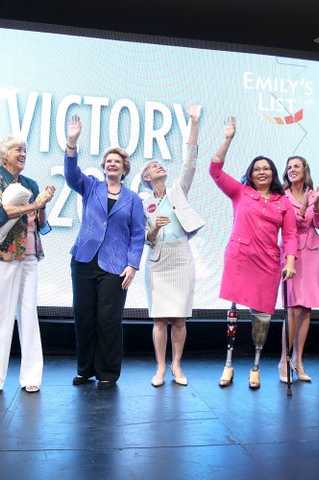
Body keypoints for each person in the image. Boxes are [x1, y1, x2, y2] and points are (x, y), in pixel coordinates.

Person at [210, 116, 297, 389]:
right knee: (234, 310)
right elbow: (214, 170)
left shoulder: (284, 202)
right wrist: (227, 138)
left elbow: (291, 235)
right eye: (257, 169)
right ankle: (228, 365)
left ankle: (256, 366)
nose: (262, 172)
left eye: (267, 169)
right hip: (239, 258)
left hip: (268, 263)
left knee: (262, 317)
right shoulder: (240, 193)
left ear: (273, 174)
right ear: (250, 173)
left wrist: (291, 261)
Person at [64, 114, 145, 391]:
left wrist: (133, 265)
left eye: (117, 162)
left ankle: (108, 372)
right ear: (103, 167)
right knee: (83, 315)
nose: (112, 164)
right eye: (108, 161)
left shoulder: (133, 199)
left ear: (124, 169)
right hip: (84, 260)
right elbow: (71, 175)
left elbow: (138, 234)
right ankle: (85, 369)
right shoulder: (90, 186)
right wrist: (72, 142)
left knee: (108, 319)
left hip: (115, 266)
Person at [0, 136, 55, 396]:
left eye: (25, 150)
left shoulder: (30, 183)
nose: (23, 153)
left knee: (28, 315)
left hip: (30, 255)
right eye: (17, 150)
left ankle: (32, 375)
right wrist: (33, 204)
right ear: (4, 155)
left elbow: (41, 224)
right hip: (1, 255)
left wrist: (42, 205)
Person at [140, 105, 205, 387]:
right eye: (153, 166)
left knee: (179, 319)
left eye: (160, 164)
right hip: (157, 261)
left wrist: (193, 121)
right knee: (159, 321)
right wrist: (155, 226)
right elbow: (145, 238)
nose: (159, 166)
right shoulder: (141, 202)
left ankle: (177, 366)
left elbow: (190, 160)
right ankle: (160, 369)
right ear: (146, 178)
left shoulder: (178, 190)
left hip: (180, 258)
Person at [277, 155, 319, 383]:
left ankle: (298, 360)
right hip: (290, 254)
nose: (292, 170)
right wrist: (303, 207)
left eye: (296, 166)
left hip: (311, 252)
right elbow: (286, 225)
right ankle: (284, 360)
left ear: (305, 169)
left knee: (307, 309)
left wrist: (315, 208)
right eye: (289, 167)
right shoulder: (282, 196)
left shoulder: (313, 193)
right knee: (293, 309)